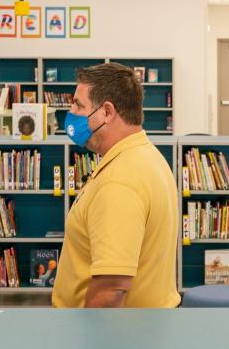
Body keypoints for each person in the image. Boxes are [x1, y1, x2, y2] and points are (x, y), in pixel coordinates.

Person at [52, 63, 179, 308]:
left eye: (79, 104)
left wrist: (90, 345)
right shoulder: (147, 155)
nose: (71, 111)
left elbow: (111, 288)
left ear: (107, 112)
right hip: (146, 330)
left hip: (113, 338)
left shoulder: (119, 180)